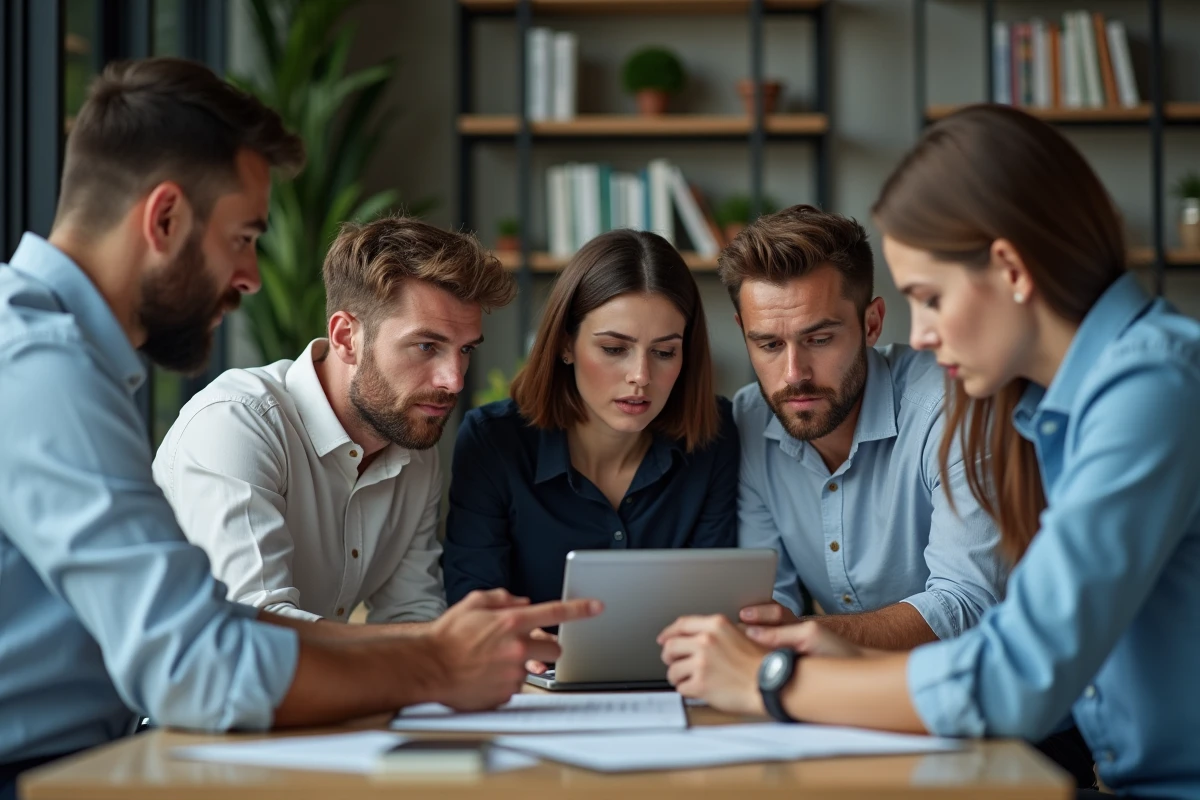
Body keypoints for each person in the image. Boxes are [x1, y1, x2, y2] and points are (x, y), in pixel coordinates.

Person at [0, 57, 598, 799]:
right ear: (164, 219)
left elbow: (217, 621)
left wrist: (448, 646)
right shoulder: (39, 369)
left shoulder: (63, 359)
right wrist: (438, 661)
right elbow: (205, 664)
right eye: (244, 237)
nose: (251, 277)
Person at [658, 104, 1200, 800]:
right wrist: (828, 651)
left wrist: (776, 678)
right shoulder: (1062, 405)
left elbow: (1016, 675)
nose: (919, 335)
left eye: (931, 297)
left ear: (1008, 269)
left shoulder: (1151, 389)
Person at [154, 216, 512, 625]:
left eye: (466, 350)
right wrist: (434, 651)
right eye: (427, 346)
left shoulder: (412, 442)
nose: (454, 380)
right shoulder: (237, 423)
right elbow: (260, 629)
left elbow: (410, 613)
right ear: (346, 338)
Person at [719, 205, 1007, 650]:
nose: (794, 373)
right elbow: (769, 597)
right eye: (770, 344)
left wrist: (806, 634)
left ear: (871, 323)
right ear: (744, 333)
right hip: (837, 699)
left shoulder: (952, 411)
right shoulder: (749, 419)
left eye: (819, 339)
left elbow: (968, 602)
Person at [442, 229, 739, 614]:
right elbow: (473, 607)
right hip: (524, 672)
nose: (641, 376)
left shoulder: (715, 436)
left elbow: (714, 606)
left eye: (664, 352)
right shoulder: (493, 442)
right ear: (566, 344)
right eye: (614, 349)